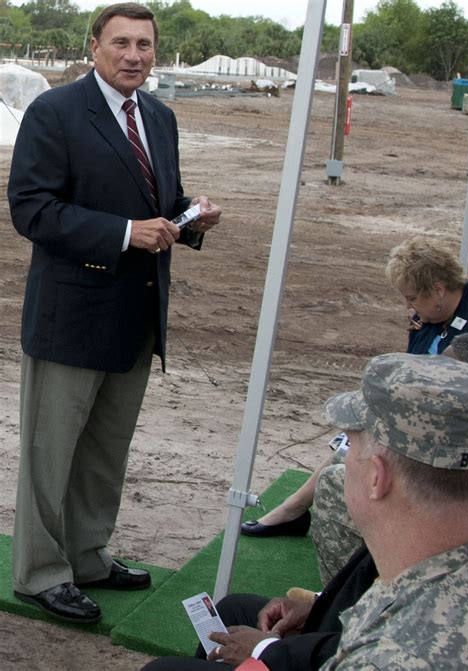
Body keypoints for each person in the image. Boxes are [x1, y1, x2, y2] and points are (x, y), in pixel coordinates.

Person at [7, 2, 221, 624]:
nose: (134, 56)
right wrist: (126, 233)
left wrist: (191, 216)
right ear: (95, 46)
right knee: (51, 455)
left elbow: (161, 198)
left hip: (136, 314)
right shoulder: (56, 111)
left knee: (106, 450)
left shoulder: (160, 115)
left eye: (145, 46)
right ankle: (40, 574)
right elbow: (32, 210)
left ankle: (89, 555)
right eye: (121, 43)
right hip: (71, 318)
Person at [141, 353, 468, 670]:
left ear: (377, 477)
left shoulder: (394, 656)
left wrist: (265, 656)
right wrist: (318, 608)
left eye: (349, 445)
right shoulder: (432, 564)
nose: (341, 460)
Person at [242, 235, 468, 540]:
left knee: (366, 433)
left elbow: (441, 375)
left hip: (453, 435)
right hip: (424, 423)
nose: (408, 305)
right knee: (360, 432)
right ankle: (295, 508)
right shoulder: (430, 313)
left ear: (439, 289)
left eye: (412, 297)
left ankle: (295, 509)